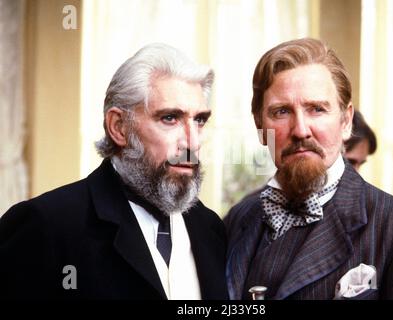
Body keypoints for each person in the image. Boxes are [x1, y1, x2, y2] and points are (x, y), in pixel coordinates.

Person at [0, 43, 228, 300]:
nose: (192, 142)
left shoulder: (211, 229)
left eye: (199, 120)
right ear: (119, 127)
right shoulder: (46, 225)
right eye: (170, 118)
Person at [224, 38, 393, 300]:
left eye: (317, 109)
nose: (301, 130)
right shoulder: (236, 220)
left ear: (346, 121)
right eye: (281, 111)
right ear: (261, 128)